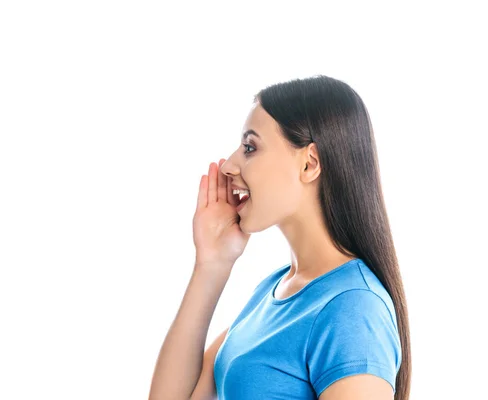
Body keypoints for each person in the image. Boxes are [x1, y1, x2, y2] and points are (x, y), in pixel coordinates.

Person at [149, 75, 411, 400]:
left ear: (309, 163)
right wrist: (212, 264)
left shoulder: (354, 308)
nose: (229, 165)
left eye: (250, 147)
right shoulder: (272, 293)